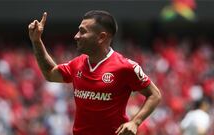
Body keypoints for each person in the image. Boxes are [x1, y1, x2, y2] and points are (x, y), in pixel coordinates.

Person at [28, 10, 161, 135]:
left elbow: (154, 95)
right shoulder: (77, 63)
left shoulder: (125, 67)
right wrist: (36, 41)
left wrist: (135, 122)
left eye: (82, 32)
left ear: (101, 37)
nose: (76, 36)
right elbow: (50, 73)